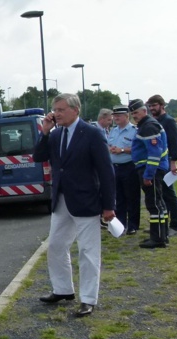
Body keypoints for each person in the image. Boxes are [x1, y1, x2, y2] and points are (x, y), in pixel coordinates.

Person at [32, 93, 115, 317]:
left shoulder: (92, 134)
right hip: (61, 201)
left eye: (60, 110)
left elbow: (107, 171)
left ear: (75, 110)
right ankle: (62, 289)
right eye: (54, 110)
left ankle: (88, 298)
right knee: (56, 247)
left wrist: (109, 205)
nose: (56, 114)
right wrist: (45, 132)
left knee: (88, 251)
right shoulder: (56, 134)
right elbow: (38, 157)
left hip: (86, 201)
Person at [129, 98, 170, 248]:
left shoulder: (148, 127)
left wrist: (148, 175)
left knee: (154, 204)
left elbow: (154, 153)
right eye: (133, 114)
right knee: (159, 203)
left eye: (136, 113)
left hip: (150, 169)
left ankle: (157, 238)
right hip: (153, 169)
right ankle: (162, 235)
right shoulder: (147, 125)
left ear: (144, 111)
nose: (135, 116)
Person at [147, 94, 177, 237]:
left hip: (167, 164)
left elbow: (174, 143)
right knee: (161, 195)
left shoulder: (168, 121)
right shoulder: (155, 121)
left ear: (162, 105)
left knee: (170, 195)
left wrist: (174, 162)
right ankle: (163, 225)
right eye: (150, 106)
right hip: (159, 164)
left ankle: (175, 226)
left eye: (154, 105)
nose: (152, 108)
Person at [108, 105, 141, 235]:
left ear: (127, 116)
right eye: (114, 116)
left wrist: (121, 150)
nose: (116, 118)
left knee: (131, 197)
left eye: (119, 116)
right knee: (118, 198)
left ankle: (133, 225)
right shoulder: (113, 131)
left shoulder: (134, 131)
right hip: (115, 167)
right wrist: (110, 149)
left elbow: (137, 149)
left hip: (129, 166)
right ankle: (120, 225)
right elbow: (109, 144)